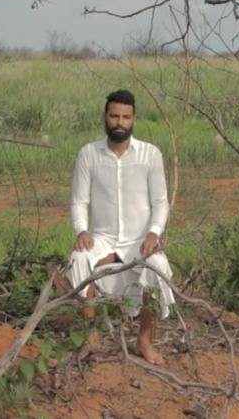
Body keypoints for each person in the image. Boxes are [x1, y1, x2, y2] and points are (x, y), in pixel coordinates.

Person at [67, 89, 174, 365]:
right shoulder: (88, 154)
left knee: (158, 267)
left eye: (125, 117)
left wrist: (154, 233)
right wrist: (81, 231)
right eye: (114, 115)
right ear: (105, 116)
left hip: (140, 240)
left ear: (134, 118)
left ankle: (144, 341)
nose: (119, 122)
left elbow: (161, 202)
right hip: (101, 238)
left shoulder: (150, 155)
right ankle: (91, 337)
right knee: (79, 259)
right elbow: (79, 201)